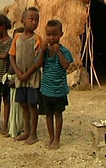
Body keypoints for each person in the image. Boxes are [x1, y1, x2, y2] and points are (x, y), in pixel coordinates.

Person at [9, 7, 44, 145]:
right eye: (31, 19)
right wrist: (18, 72)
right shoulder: (17, 37)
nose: (34, 22)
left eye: (36, 20)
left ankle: (34, 134)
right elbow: (12, 56)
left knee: (32, 105)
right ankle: (26, 131)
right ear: (23, 21)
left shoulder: (37, 39)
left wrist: (27, 74)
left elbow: (38, 61)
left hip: (32, 78)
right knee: (23, 105)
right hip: (20, 77)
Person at [39, 20, 73, 149]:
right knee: (48, 115)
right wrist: (42, 51)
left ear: (61, 34)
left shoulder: (64, 51)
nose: (51, 38)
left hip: (59, 90)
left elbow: (66, 66)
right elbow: (37, 65)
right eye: (49, 35)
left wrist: (58, 52)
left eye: (55, 35)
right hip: (46, 89)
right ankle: (51, 137)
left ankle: (57, 139)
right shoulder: (45, 50)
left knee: (58, 114)